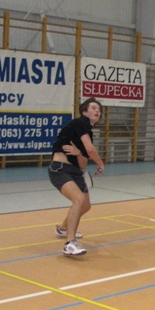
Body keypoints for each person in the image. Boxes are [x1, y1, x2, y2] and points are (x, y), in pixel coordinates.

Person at [48, 98, 105, 256]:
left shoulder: (87, 133)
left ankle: (62, 229)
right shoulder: (80, 123)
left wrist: (78, 153)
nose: (97, 111)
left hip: (75, 171)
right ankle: (70, 244)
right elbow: (91, 150)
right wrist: (100, 163)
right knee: (78, 199)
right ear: (84, 112)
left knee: (85, 205)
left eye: (99, 109)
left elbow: (83, 164)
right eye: (93, 108)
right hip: (60, 168)